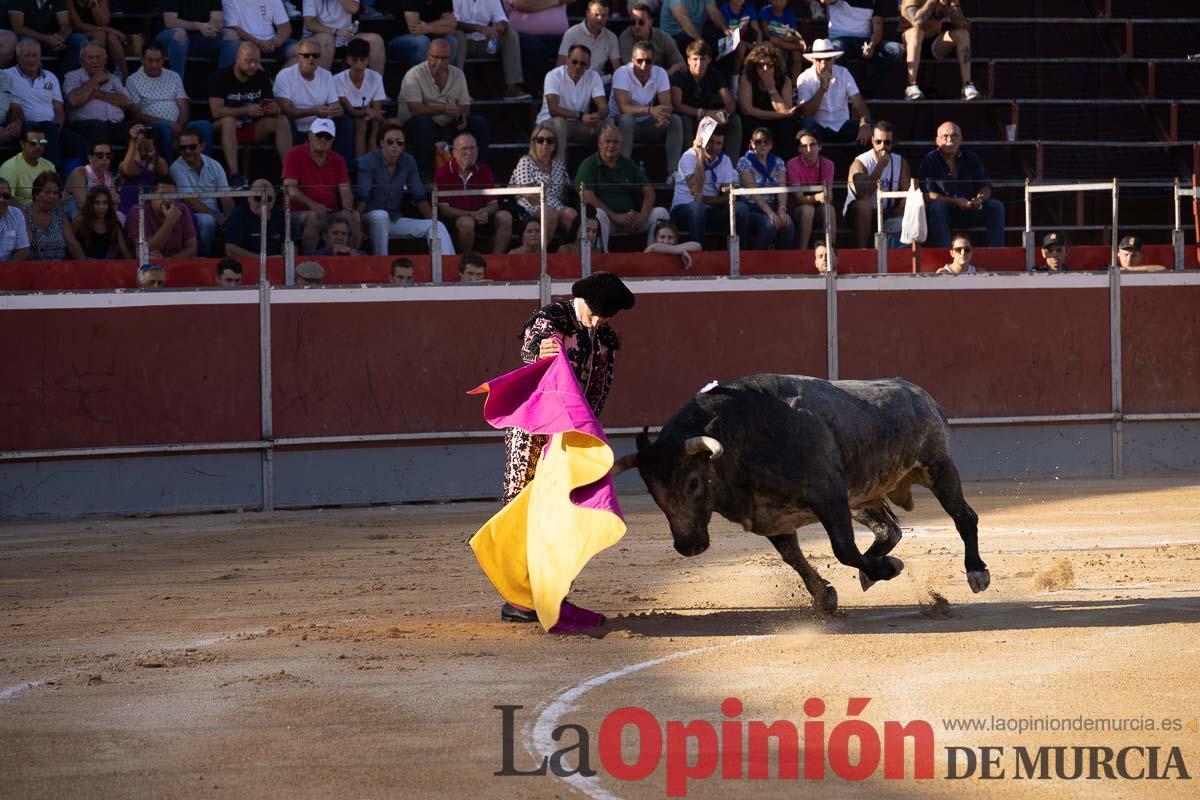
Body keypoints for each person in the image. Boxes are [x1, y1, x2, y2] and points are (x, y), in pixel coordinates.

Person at [498, 271, 635, 622]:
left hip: (569, 434)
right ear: (583, 300)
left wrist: (586, 435)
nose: (600, 321)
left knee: (563, 510)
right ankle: (519, 599)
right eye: (597, 313)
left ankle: (553, 592)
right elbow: (530, 352)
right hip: (532, 429)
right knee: (522, 507)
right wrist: (538, 352)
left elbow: (599, 391)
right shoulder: (553, 319)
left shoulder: (604, 338)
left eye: (607, 317)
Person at [356, 121, 455, 256]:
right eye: (390, 142)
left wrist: (432, 220)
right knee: (380, 216)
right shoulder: (368, 161)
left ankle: (446, 267)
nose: (395, 146)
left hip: (394, 219)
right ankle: (382, 263)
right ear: (382, 143)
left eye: (400, 143)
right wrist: (358, 228)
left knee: (437, 226)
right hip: (368, 219)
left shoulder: (408, 160)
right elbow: (362, 197)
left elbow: (419, 197)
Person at [398, 37, 489, 174]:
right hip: (417, 125)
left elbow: (465, 106)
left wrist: (462, 116)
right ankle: (425, 174)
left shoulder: (458, 74)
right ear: (428, 55)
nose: (439, 63)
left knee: (478, 123)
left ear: (450, 58)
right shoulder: (414, 74)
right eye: (434, 57)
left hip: (448, 124)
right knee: (423, 123)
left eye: (444, 58)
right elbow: (415, 109)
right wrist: (444, 109)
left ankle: (480, 173)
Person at [209, 42, 293, 187]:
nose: (253, 65)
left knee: (282, 120)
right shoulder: (221, 77)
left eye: (256, 61)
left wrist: (273, 109)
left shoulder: (260, 77)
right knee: (229, 120)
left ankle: (289, 174)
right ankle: (235, 175)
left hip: (252, 126)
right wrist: (245, 110)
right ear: (237, 59)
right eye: (248, 61)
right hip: (224, 129)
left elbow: (272, 104)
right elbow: (216, 111)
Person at [576, 125, 669, 250]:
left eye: (615, 142)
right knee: (598, 214)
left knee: (661, 213)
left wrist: (643, 215)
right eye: (608, 141)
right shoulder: (589, 164)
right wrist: (616, 217)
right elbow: (586, 196)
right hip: (608, 221)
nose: (611, 145)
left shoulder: (628, 164)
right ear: (599, 143)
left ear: (621, 145)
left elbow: (649, 191)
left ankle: (652, 254)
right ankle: (601, 255)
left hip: (632, 220)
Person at [918, 120, 1004, 247]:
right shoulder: (930, 160)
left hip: (970, 209)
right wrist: (955, 201)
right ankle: (945, 253)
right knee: (936, 207)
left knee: (996, 206)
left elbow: (986, 187)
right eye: (945, 136)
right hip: (945, 213)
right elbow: (927, 195)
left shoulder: (971, 158)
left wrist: (979, 199)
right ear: (937, 140)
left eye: (954, 136)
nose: (950, 140)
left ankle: (996, 252)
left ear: (961, 139)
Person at [282, 117, 362, 253]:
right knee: (313, 217)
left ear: (333, 140)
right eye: (319, 135)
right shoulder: (294, 154)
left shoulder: (337, 159)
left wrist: (347, 208)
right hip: (297, 213)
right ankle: (309, 261)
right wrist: (312, 204)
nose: (323, 139)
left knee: (354, 216)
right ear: (310, 135)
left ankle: (352, 257)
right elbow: (290, 189)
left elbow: (345, 188)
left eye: (327, 136)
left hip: (329, 212)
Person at [126, 41, 212, 162]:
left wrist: (179, 128)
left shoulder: (173, 76)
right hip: (154, 127)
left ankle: (206, 168)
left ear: (163, 59)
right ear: (142, 59)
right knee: (164, 127)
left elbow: (183, 106)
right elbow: (137, 114)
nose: (154, 65)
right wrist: (168, 123)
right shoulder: (132, 80)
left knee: (204, 125)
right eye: (150, 60)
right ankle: (168, 169)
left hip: (179, 125)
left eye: (158, 60)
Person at [6, 39, 87, 166]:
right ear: (18, 57)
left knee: (80, 142)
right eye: (27, 56)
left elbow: (58, 107)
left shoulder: (50, 76)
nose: (32, 60)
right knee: (48, 131)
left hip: (51, 127)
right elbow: (13, 107)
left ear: (40, 56)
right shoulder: (7, 75)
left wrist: (58, 126)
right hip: (25, 126)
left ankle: (75, 175)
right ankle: (54, 172)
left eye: (35, 55)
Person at [274, 38, 353, 166]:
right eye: (306, 55)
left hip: (320, 127)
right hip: (294, 128)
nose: (311, 59)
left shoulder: (326, 75)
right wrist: (314, 111)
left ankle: (343, 169)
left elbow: (335, 105)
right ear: (298, 56)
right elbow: (285, 109)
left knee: (345, 122)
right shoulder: (285, 75)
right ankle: (289, 169)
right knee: (284, 120)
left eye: (315, 56)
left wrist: (337, 110)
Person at [670, 125, 753, 245]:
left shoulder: (725, 161)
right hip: (683, 210)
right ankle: (697, 251)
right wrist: (700, 157)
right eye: (711, 142)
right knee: (698, 207)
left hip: (709, 209)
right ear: (704, 141)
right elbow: (697, 190)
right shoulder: (689, 157)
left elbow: (728, 197)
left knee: (741, 208)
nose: (714, 147)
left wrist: (705, 199)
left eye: (719, 143)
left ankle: (740, 253)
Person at [611, 40, 683, 176]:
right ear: (632, 60)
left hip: (648, 124)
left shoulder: (660, 73)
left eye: (648, 61)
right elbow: (623, 108)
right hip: (621, 125)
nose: (644, 66)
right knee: (627, 119)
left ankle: (673, 173)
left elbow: (667, 106)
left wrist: (664, 116)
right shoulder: (622, 73)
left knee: (675, 120)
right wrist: (650, 110)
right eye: (639, 61)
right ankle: (622, 172)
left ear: (653, 62)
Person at [435, 132, 513, 254]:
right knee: (467, 223)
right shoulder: (443, 172)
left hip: (481, 216)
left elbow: (493, 205)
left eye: (472, 148)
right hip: (455, 219)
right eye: (464, 148)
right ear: (454, 152)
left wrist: (485, 212)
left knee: (505, 217)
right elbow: (445, 210)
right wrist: (471, 214)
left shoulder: (484, 170)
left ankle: (496, 259)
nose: (469, 152)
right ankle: (466, 260)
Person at [536, 44, 608, 166]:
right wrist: (581, 115)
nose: (578, 66)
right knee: (559, 122)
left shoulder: (593, 76)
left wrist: (596, 116)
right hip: (549, 123)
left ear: (588, 65)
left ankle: (609, 171)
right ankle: (558, 172)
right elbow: (553, 110)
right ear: (567, 60)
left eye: (582, 63)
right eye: (574, 62)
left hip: (579, 124)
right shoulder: (553, 75)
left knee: (608, 122)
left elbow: (604, 108)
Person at [508, 124, 576, 245]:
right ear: (534, 143)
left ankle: (568, 250)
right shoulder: (526, 162)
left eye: (549, 140)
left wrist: (560, 206)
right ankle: (538, 253)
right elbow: (527, 192)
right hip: (530, 205)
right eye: (540, 140)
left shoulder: (559, 165)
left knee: (572, 215)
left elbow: (566, 190)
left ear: (554, 145)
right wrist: (550, 205)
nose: (545, 144)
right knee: (550, 214)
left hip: (556, 206)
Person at [670, 40, 740, 158]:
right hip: (688, 116)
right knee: (685, 121)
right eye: (695, 59)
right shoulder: (680, 76)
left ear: (709, 59)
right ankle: (690, 161)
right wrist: (704, 113)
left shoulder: (715, 75)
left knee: (735, 120)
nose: (699, 63)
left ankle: (732, 164)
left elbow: (730, 103)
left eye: (702, 59)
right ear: (688, 60)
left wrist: (724, 113)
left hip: (709, 118)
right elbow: (677, 105)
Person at [819, 0, 903, 97]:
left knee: (896, 50)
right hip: (839, 39)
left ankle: (868, 87)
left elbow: (877, 28)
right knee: (834, 52)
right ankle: (834, 90)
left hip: (864, 41)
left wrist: (871, 45)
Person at [169, 128, 233, 256]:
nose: (188, 151)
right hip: (189, 214)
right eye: (183, 148)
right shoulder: (176, 168)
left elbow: (226, 198)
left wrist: (231, 220)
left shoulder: (215, 165)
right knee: (207, 221)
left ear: (202, 146)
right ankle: (204, 258)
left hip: (214, 213)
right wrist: (216, 217)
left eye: (192, 147)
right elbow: (189, 200)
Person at [794, 38, 870, 146]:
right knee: (807, 124)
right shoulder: (804, 78)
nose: (823, 64)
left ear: (834, 59)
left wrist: (864, 122)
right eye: (819, 60)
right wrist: (822, 88)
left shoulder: (843, 73)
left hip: (843, 127)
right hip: (818, 129)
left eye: (827, 59)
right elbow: (807, 113)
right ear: (813, 60)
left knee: (870, 127)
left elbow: (858, 102)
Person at [845, 119, 908, 248]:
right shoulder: (860, 162)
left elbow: (907, 193)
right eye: (878, 142)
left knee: (912, 204)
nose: (882, 146)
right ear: (872, 140)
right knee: (864, 206)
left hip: (889, 211)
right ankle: (863, 251)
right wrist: (880, 167)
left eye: (887, 142)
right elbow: (863, 194)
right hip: (860, 213)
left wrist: (903, 205)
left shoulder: (900, 162)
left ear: (893, 143)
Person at [898, 0, 978, 101]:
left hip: (934, 42)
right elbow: (916, 22)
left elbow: (960, 24)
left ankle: (967, 85)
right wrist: (931, 2)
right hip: (910, 41)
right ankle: (911, 86)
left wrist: (953, 8)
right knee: (917, 32)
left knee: (963, 34)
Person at [453, 0, 531, 99]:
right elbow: (454, 23)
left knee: (511, 34)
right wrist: (479, 28)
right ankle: (457, 90)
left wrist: (500, 26)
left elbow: (502, 19)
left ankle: (512, 88)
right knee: (458, 35)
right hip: (463, 44)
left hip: (485, 43)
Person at [62, 40, 130, 146]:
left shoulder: (113, 78)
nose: (95, 61)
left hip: (115, 125)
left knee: (138, 129)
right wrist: (94, 80)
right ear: (82, 61)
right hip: (85, 125)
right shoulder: (72, 76)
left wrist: (97, 94)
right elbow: (74, 100)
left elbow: (126, 102)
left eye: (99, 57)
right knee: (99, 127)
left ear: (105, 60)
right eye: (90, 58)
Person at [737, 126, 794, 249]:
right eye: (758, 142)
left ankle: (782, 258)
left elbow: (782, 188)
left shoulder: (778, 162)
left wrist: (782, 210)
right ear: (752, 143)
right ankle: (755, 258)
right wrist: (770, 213)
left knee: (787, 224)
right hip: (751, 208)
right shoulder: (744, 161)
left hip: (771, 205)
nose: (762, 145)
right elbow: (753, 192)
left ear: (771, 145)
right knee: (770, 224)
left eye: (766, 142)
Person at [738, 43, 799, 157]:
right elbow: (748, 110)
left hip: (776, 122)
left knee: (788, 124)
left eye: (770, 65)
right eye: (761, 65)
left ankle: (786, 161)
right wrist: (779, 115)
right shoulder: (747, 79)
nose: (765, 69)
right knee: (748, 121)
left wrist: (771, 88)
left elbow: (786, 110)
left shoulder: (785, 81)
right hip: (755, 120)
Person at [504, 0, 569, 99]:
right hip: (524, 36)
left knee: (575, 46)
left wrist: (536, 4)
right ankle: (541, 93)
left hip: (560, 36)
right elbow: (522, 4)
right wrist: (557, 2)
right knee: (535, 49)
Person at [334, 37, 387, 158]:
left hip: (369, 115)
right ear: (348, 59)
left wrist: (373, 138)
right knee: (361, 124)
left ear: (367, 60)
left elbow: (377, 111)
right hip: (348, 116)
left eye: (362, 60)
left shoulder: (376, 77)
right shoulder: (337, 79)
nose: (359, 64)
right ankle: (360, 164)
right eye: (355, 60)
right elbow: (350, 111)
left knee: (392, 123)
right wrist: (367, 112)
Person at [124, 177, 199, 259]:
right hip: (147, 263)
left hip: (176, 260)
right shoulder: (138, 211)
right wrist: (169, 222)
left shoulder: (182, 209)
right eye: (162, 195)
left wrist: (168, 261)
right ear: (151, 195)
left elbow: (192, 249)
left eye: (171, 196)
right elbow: (144, 250)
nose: (167, 200)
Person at [785, 127, 835, 249]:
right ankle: (802, 251)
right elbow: (798, 198)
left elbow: (829, 196)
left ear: (820, 147)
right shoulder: (792, 165)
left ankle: (832, 249)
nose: (809, 149)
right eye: (804, 146)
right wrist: (818, 197)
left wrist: (826, 196)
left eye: (812, 145)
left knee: (829, 209)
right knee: (808, 210)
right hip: (796, 210)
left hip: (818, 208)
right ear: (799, 149)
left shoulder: (828, 164)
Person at [303, 1, 386, 72]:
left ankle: (377, 85)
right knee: (326, 40)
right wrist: (335, 31)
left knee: (375, 40)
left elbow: (354, 8)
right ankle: (320, 85)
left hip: (345, 37)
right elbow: (310, 24)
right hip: (319, 36)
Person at [7, 0, 87, 73]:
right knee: (27, 43)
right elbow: (18, 28)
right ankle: (29, 80)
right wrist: (46, 39)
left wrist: (61, 38)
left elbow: (65, 24)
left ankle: (66, 78)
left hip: (52, 37)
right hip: (29, 37)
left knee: (79, 40)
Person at [158, 0, 227, 83]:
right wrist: (199, 26)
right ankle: (176, 86)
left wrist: (213, 26)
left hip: (201, 38)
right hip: (169, 37)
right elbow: (170, 22)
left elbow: (217, 18)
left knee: (230, 35)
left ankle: (223, 86)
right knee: (180, 34)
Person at [24, 171, 86, 260]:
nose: (52, 196)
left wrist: (86, 264)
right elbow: (25, 250)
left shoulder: (60, 214)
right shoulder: (25, 214)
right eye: (47, 192)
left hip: (61, 265)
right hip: (35, 265)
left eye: (55, 193)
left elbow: (72, 243)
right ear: (36, 194)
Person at [557, 0, 621, 81]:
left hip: (600, 83)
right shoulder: (571, 33)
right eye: (596, 15)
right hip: (575, 80)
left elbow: (618, 70)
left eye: (604, 15)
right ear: (588, 13)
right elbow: (560, 66)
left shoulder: (611, 37)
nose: (600, 19)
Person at [220, 0, 295, 69]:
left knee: (300, 52)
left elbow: (285, 26)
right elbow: (232, 28)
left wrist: (278, 40)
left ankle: (281, 78)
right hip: (245, 42)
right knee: (247, 52)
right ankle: (263, 78)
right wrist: (258, 42)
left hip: (272, 44)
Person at [387, 0, 461, 68]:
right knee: (422, 41)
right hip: (400, 40)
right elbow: (415, 29)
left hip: (430, 37)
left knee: (451, 41)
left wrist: (429, 28)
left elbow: (452, 26)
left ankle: (442, 75)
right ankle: (419, 77)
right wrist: (442, 24)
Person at [117, 123, 170, 216]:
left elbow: (164, 170)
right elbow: (128, 169)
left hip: (151, 215)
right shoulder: (123, 164)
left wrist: (150, 147)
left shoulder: (156, 162)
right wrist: (134, 141)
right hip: (129, 215)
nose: (142, 138)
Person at [224, 178, 286, 257]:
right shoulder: (238, 214)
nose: (263, 202)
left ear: (274, 199)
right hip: (247, 263)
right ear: (249, 197)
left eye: (269, 199)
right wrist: (265, 260)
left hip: (276, 262)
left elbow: (291, 245)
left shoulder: (281, 214)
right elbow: (230, 250)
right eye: (258, 198)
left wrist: (285, 260)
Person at [66, 0, 128, 80]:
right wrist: (109, 30)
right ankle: (98, 73)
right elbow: (79, 25)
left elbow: (103, 22)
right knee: (99, 34)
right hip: (79, 33)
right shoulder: (70, 1)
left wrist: (94, 4)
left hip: (101, 31)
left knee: (112, 38)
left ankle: (123, 77)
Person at [619, 4, 684, 75]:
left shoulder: (662, 37)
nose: (636, 26)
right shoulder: (625, 37)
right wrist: (667, 73)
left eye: (641, 22)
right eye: (633, 22)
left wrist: (675, 68)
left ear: (650, 22)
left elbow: (680, 64)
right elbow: (634, 68)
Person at [0, 126, 57, 206]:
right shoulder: (9, 167)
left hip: (48, 210)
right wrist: (26, 212)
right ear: (22, 144)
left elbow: (57, 195)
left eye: (42, 143)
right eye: (33, 143)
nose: (38, 146)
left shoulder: (49, 165)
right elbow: (7, 198)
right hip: (23, 211)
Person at [71, 185, 130, 258]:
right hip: (82, 263)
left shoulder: (114, 225)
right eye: (97, 203)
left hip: (106, 264)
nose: (101, 207)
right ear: (91, 204)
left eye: (105, 203)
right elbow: (69, 245)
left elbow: (125, 252)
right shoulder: (80, 222)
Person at [660, 0, 729, 58]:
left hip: (695, 33)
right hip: (673, 37)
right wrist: (700, 40)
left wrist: (725, 29)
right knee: (698, 48)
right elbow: (683, 20)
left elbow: (713, 11)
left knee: (723, 40)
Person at [757, 0, 805, 77]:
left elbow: (793, 34)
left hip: (786, 42)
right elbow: (766, 34)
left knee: (797, 55)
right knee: (773, 42)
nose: (780, 1)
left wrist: (783, 41)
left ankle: (795, 83)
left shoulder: (789, 13)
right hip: (771, 42)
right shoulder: (765, 11)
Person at [0, 178, 32, 260]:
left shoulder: (16, 214)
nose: (1, 200)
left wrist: (8, 267)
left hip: (9, 265)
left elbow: (23, 249)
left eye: (6, 196)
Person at [0, 68, 26, 149]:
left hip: (4, 125)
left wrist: (17, 122)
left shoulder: (7, 78)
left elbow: (16, 107)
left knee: (33, 130)